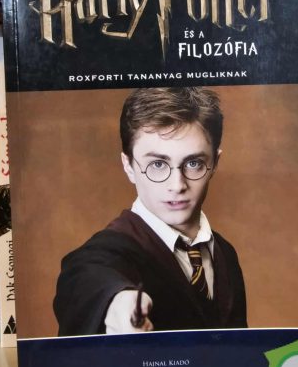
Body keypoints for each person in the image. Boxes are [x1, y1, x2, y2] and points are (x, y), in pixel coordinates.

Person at [53, 87, 247, 336]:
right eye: (157, 164)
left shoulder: (224, 252)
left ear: (215, 163)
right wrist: (116, 303)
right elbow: (85, 278)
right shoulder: (106, 252)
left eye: (194, 163)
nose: (177, 185)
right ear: (129, 166)